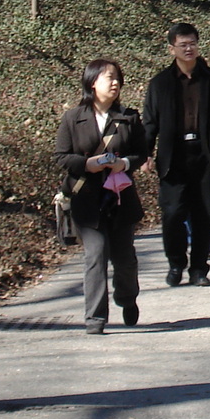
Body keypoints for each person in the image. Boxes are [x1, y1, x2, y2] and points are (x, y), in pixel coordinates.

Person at [55, 58, 149, 335]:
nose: (115, 83)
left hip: (120, 199)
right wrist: (88, 164)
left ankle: (127, 297)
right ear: (92, 82)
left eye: (118, 78)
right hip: (87, 199)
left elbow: (141, 153)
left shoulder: (129, 118)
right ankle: (94, 318)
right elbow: (61, 157)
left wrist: (125, 164)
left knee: (124, 259)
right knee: (95, 255)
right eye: (110, 78)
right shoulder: (73, 118)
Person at [144, 22, 210, 287]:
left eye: (192, 43)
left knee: (204, 214)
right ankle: (175, 263)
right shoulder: (160, 83)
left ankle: (199, 269)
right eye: (183, 44)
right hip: (174, 157)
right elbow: (150, 122)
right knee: (172, 213)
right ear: (171, 48)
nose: (189, 49)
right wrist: (145, 153)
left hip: (204, 155)